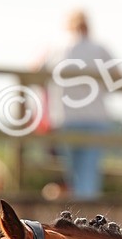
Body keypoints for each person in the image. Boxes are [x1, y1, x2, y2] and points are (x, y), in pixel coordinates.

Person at [45, 11, 115, 198]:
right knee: (89, 174)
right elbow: (116, 78)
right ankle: (86, 218)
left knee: (73, 174)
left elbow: (37, 71)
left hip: (66, 119)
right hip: (95, 119)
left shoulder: (57, 48)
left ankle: (77, 215)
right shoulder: (100, 49)